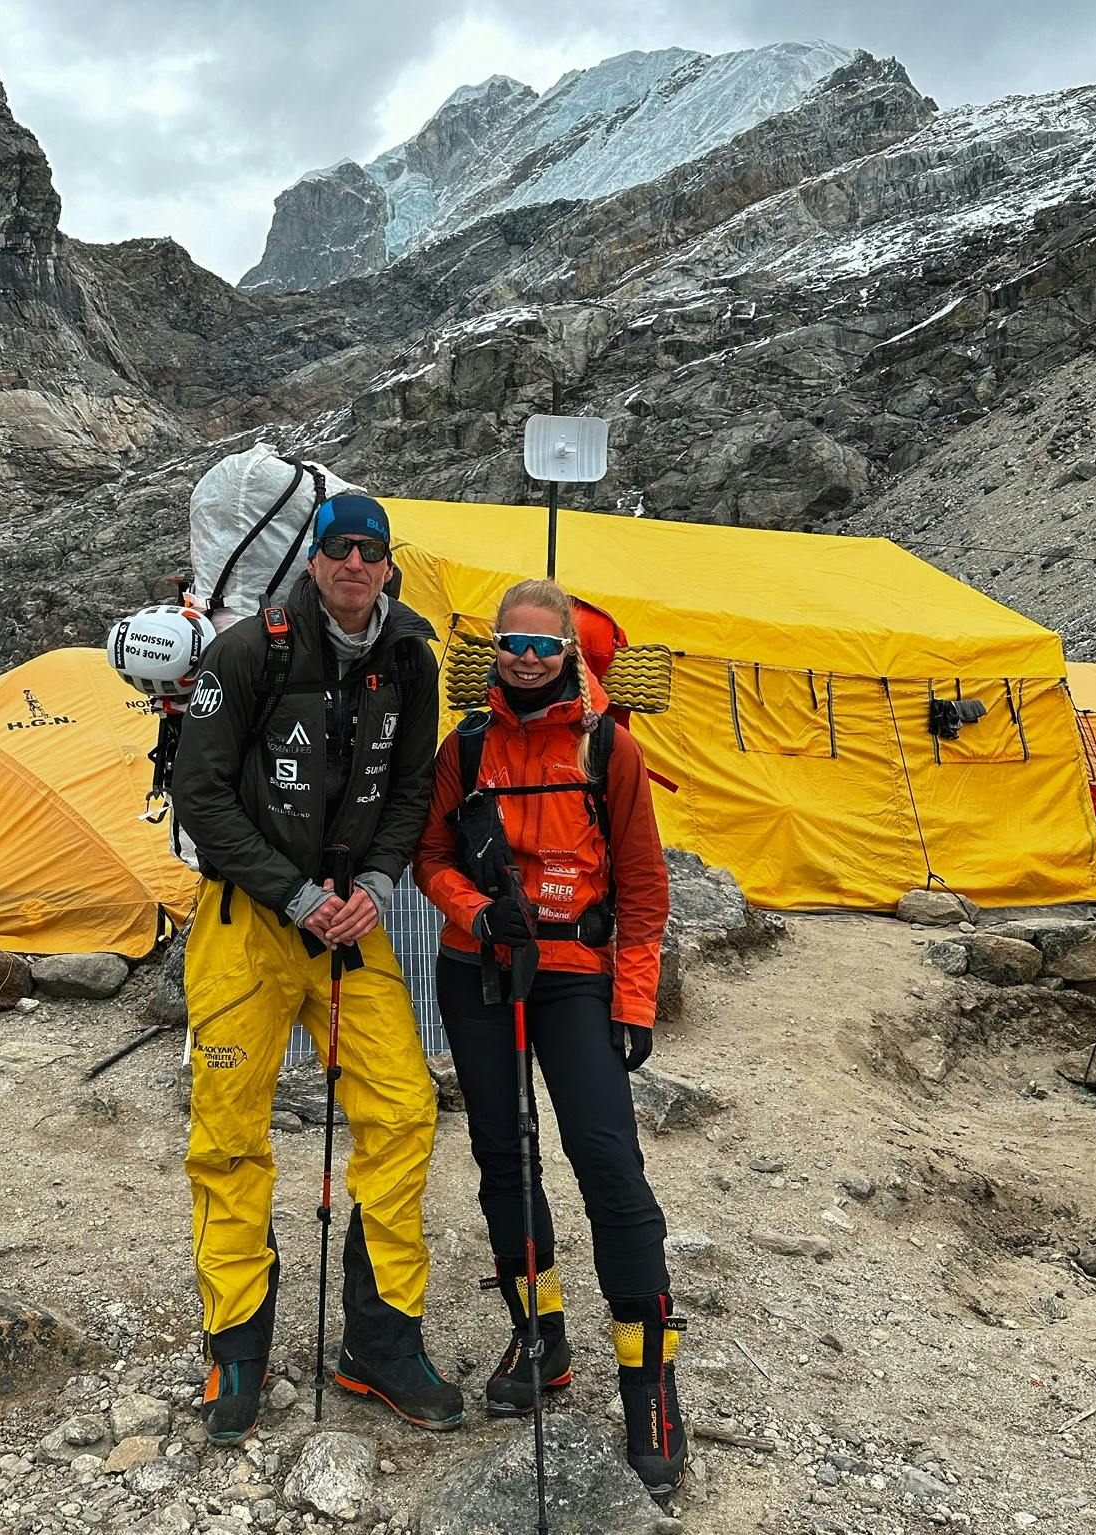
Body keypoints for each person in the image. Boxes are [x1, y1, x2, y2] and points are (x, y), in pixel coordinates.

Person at [172, 492, 462, 1443]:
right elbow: (201, 794)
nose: (352, 563)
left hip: (353, 924)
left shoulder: (409, 660)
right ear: (317, 559)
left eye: (369, 551)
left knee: (403, 1108)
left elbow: (413, 783)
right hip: (248, 922)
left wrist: (376, 880)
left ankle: (378, 1344)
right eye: (338, 547)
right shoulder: (250, 651)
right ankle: (236, 1349)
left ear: (387, 566)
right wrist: (296, 896)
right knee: (227, 1132)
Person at [413, 577, 685, 1494]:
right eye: (510, 644)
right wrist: (475, 912)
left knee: (607, 1158)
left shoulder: (610, 745)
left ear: (570, 651)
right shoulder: (467, 744)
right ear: (492, 650)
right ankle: (542, 1336)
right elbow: (431, 855)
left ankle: (649, 1377)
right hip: (478, 968)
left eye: (543, 646)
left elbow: (643, 887)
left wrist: (634, 1002)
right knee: (503, 1154)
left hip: (576, 977)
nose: (526, 659)